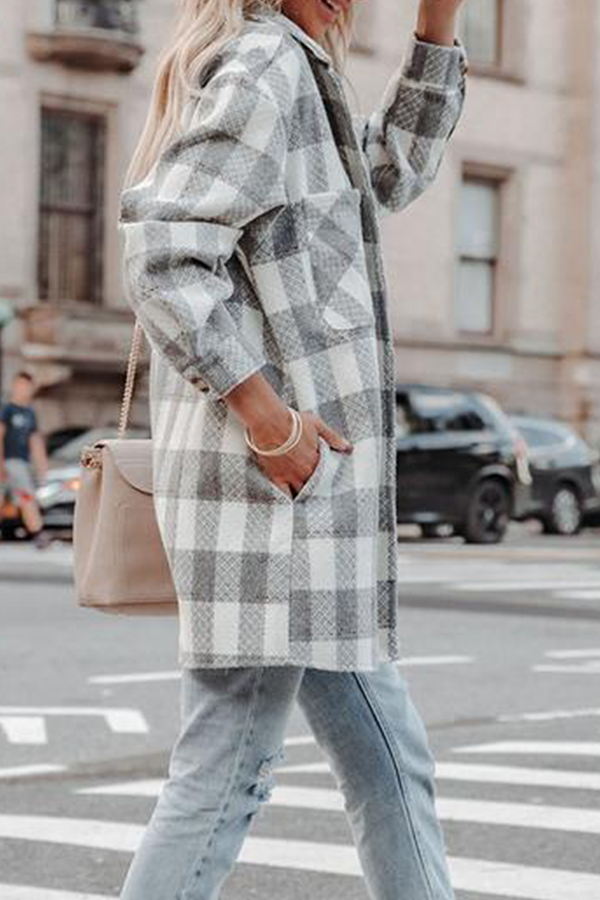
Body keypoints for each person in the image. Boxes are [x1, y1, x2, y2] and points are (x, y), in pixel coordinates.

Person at [117, 1, 468, 897]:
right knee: (226, 773)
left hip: (306, 512)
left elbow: (387, 171)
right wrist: (273, 424)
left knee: (389, 761)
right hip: (275, 512)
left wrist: (438, 27)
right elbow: (163, 254)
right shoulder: (269, 65)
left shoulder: (296, 69)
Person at [0, 370, 52, 549]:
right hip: (8, 461)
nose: (24, 390)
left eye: (27, 386)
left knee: (26, 496)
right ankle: (37, 532)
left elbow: (35, 441)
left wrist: (43, 466)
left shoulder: (30, 413)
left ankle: (37, 532)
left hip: (21, 463)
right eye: (21, 385)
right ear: (15, 386)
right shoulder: (7, 409)